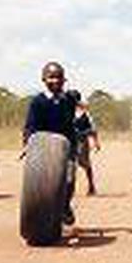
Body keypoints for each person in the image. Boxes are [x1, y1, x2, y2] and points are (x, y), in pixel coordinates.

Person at [23, 61, 82, 225]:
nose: (55, 81)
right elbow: (30, 126)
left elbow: (77, 98)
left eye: (59, 77)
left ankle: (64, 206)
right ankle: (43, 212)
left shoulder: (68, 99)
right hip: (43, 148)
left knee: (69, 179)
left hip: (67, 146)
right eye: (51, 77)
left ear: (64, 80)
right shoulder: (37, 101)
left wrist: (74, 95)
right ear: (43, 79)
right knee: (42, 184)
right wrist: (27, 144)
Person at [73, 102, 101, 195]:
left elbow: (93, 129)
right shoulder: (68, 113)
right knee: (70, 164)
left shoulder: (86, 115)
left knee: (84, 162)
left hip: (82, 141)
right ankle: (69, 188)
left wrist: (96, 142)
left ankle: (91, 186)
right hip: (70, 141)